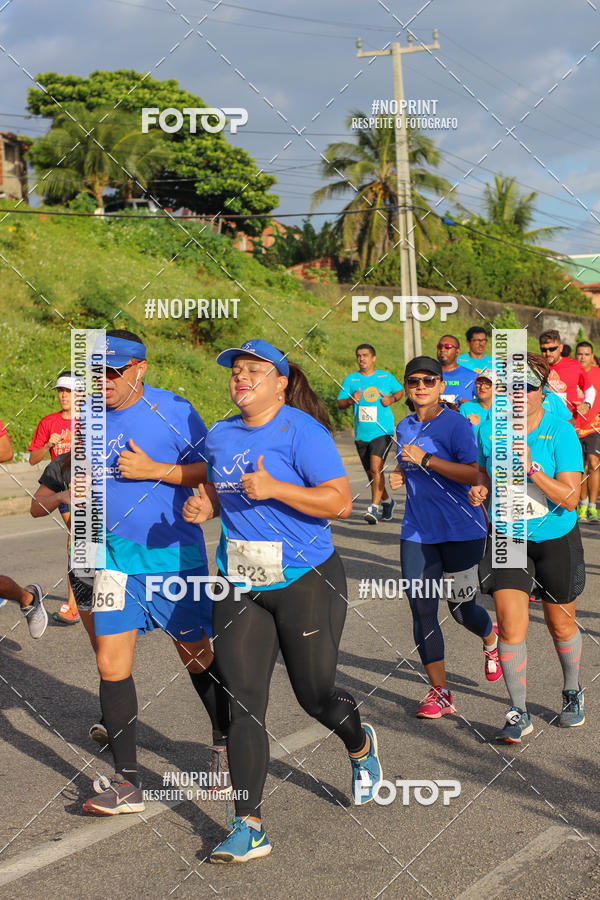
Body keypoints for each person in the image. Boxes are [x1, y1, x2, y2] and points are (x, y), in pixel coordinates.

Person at [186, 338, 382, 863]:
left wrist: (275, 488)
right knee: (243, 701)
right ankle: (248, 824)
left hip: (305, 578)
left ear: (279, 382)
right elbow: (215, 490)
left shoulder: (304, 431)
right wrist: (203, 506)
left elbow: (340, 501)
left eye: (254, 371)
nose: (241, 378)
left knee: (313, 696)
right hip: (238, 580)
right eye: (235, 371)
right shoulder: (221, 434)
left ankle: (360, 745)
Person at [74, 330, 231, 815]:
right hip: (113, 559)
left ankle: (224, 745)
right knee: (109, 663)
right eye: (94, 372)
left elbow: (211, 471)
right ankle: (127, 783)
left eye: (112, 372)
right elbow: (84, 476)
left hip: (172, 559)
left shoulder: (175, 411)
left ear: (140, 369)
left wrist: (154, 470)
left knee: (197, 659)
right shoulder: (88, 417)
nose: (101, 382)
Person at [470, 353, 585, 742]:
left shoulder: (560, 430)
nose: (518, 395)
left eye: (528, 387)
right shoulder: (491, 428)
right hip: (508, 535)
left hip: (554, 536)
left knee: (559, 623)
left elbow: (571, 497)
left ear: (542, 390)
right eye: (510, 387)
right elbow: (483, 469)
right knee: (510, 623)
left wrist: (533, 468)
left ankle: (571, 690)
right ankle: (519, 710)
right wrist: (481, 487)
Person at [388, 356, 501, 721]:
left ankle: (490, 637)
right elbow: (405, 461)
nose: (420, 386)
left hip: (461, 532)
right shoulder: (403, 426)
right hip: (418, 533)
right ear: (407, 387)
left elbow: (474, 474)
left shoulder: (455, 425)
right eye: (413, 381)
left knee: (460, 610)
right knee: (422, 609)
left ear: (440, 385)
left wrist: (427, 461)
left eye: (428, 380)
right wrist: (398, 475)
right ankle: (440, 691)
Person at [29, 371, 80, 625]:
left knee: (79, 538)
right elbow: (32, 459)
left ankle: (76, 603)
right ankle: (74, 604)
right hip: (61, 486)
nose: (63, 396)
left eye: (68, 391)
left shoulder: (91, 421)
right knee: (76, 535)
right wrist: (49, 444)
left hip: (91, 484)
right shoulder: (48, 422)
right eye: (60, 391)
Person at [337, 344, 403, 524]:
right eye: (358, 356)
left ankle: (373, 508)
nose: (361, 359)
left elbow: (400, 391)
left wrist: (391, 399)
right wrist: (352, 399)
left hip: (382, 431)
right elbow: (340, 403)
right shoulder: (351, 380)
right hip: (362, 434)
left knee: (376, 468)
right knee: (371, 473)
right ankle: (387, 502)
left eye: (365, 355)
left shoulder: (385, 377)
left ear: (373, 358)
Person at [539, 330, 594, 422]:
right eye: (544, 350)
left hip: (569, 423)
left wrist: (587, 404)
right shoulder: (537, 366)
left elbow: (589, 389)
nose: (548, 353)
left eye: (552, 349)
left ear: (560, 348)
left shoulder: (574, 366)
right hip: (544, 423)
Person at [574, 341, 600, 523]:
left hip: (594, 426)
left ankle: (592, 506)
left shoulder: (598, 374)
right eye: (580, 354)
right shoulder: (572, 372)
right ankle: (582, 504)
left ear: (592, 356)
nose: (583, 357)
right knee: (579, 466)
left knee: (594, 462)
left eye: (586, 354)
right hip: (574, 426)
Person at [437, 334, 477, 405]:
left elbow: (484, 403)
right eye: (440, 347)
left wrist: (471, 405)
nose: (442, 350)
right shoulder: (429, 375)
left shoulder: (472, 376)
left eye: (447, 347)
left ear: (457, 352)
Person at [459, 369, 498, 438]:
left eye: (488, 384)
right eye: (479, 383)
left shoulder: (505, 408)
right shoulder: (465, 408)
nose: (482, 387)